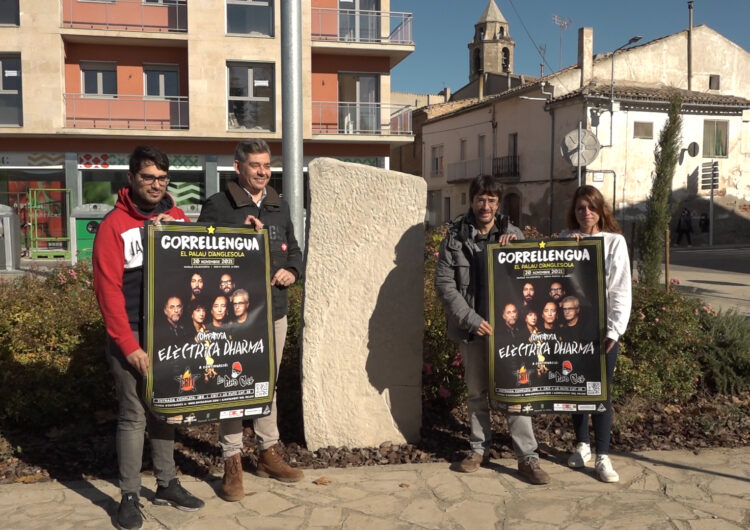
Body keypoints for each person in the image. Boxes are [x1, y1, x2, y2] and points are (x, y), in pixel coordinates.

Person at [92, 145, 204, 530]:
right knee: (133, 413)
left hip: (167, 332)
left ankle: (168, 482)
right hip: (132, 333)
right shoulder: (113, 226)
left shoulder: (175, 216)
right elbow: (108, 294)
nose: (155, 184)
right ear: (131, 178)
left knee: (165, 408)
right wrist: (129, 346)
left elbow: (200, 259)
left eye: (161, 178)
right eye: (147, 177)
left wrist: (249, 235)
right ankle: (128, 495)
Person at [198, 139, 304, 500]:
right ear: (238, 167)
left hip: (273, 310)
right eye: (255, 165)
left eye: (266, 165)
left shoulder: (279, 204)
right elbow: (198, 251)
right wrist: (238, 237)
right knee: (232, 383)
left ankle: (267, 451)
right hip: (230, 316)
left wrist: (292, 270)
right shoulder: (218, 205)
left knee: (266, 383)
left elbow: (295, 249)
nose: (262, 172)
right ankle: (232, 458)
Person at [435, 175, 550, 485]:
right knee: (476, 394)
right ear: (472, 201)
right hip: (473, 330)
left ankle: (527, 457)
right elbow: (445, 285)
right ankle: (477, 449)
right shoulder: (455, 237)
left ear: (498, 205)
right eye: (480, 199)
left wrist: (519, 249)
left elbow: (532, 276)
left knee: (517, 394)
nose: (485, 205)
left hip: (510, 334)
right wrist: (471, 319)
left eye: (491, 200)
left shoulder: (512, 234)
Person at [561, 185, 632, 483]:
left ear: (601, 210)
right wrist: (566, 248)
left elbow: (620, 288)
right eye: (580, 208)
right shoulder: (565, 239)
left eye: (591, 207)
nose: (586, 213)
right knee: (576, 388)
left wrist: (615, 330)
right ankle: (582, 445)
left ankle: (603, 455)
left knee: (600, 392)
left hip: (601, 332)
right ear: (574, 212)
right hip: (570, 330)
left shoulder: (614, 242)